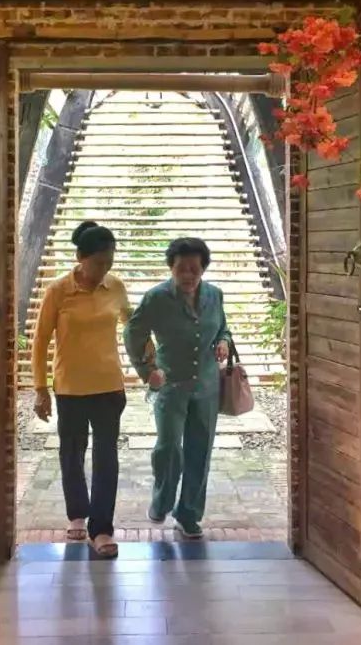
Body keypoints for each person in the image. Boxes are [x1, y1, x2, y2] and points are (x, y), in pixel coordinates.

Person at [31, 221, 130, 557]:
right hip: (70, 388)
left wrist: (149, 359)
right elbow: (40, 341)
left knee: (106, 458)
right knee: (72, 452)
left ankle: (101, 529)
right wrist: (40, 388)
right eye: (99, 262)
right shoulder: (58, 291)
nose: (104, 269)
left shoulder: (116, 286)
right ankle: (77, 513)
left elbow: (132, 326)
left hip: (109, 386)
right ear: (80, 258)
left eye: (109, 262)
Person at [124, 237, 232, 539]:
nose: (188, 275)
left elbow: (223, 328)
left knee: (200, 451)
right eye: (181, 268)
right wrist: (147, 370)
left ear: (203, 269)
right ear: (171, 268)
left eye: (194, 269)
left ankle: (188, 515)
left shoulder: (214, 295)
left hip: (207, 387)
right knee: (169, 448)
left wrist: (224, 341)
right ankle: (162, 501)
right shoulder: (156, 298)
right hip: (171, 387)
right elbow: (133, 332)